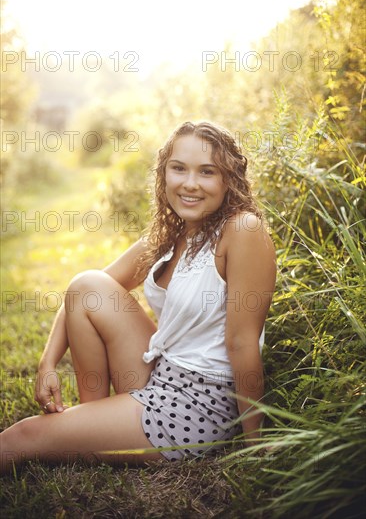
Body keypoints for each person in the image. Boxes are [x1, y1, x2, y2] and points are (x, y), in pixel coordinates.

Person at [0, 120, 277, 474]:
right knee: (88, 285)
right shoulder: (174, 232)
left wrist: (254, 448)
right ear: (164, 174)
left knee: (22, 437)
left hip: (197, 405)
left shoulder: (242, 230)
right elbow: (83, 292)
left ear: (229, 179)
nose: (189, 183)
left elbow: (242, 342)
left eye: (207, 172)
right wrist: (47, 364)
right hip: (161, 373)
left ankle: (83, 432)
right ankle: (91, 424)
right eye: (179, 169)